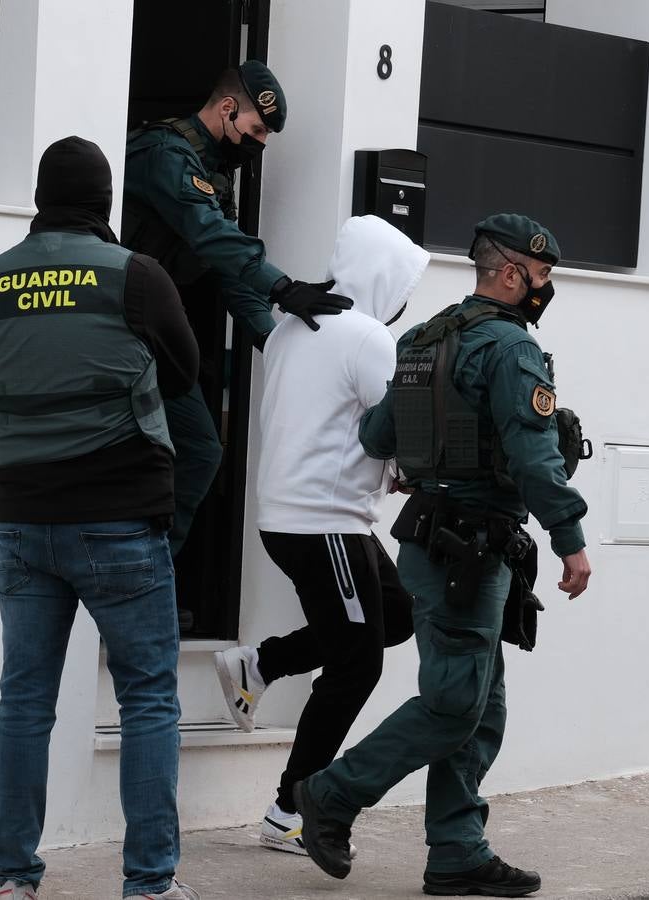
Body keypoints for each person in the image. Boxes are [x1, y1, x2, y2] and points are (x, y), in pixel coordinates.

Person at [293, 214, 593, 897]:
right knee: (456, 703)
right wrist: (569, 542)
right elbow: (534, 456)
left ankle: (456, 849)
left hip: (433, 542)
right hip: (469, 547)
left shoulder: (422, 341)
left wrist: (431, 456)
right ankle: (331, 795)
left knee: (479, 706)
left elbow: (374, 435)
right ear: (513, 275)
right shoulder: (510, 351)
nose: (544, 290)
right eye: (542, 277)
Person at [0, 136, 201, 900]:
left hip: (23, 520)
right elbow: (183, 371)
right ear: (106, 204)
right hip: (119, 518)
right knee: (147, 699)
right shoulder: (136, 275)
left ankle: (13, 879)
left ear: (40, 198)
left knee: (24, 700)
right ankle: (148, 883)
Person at [212, 216, 425, 856]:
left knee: (394, 615)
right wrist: (406, 471)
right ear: (386, 278)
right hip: (326, 520)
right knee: (357, 664)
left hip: (289, 518)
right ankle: (289, 810)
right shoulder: (366, 336)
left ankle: (263, 661)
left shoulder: (291, 328)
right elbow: (397, 428)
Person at [123, 60, 351, 554]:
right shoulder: (165, 154)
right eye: (255, 130)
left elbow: (230, 268)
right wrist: (283, 286)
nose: (259, 145)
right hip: (118, 327)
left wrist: (276, 339)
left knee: (200, 451)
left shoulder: (213, 171)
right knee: (154, 454)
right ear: (227, 108)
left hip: (152, 334)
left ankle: (151, 563)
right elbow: (211, 234)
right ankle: (136, 566)